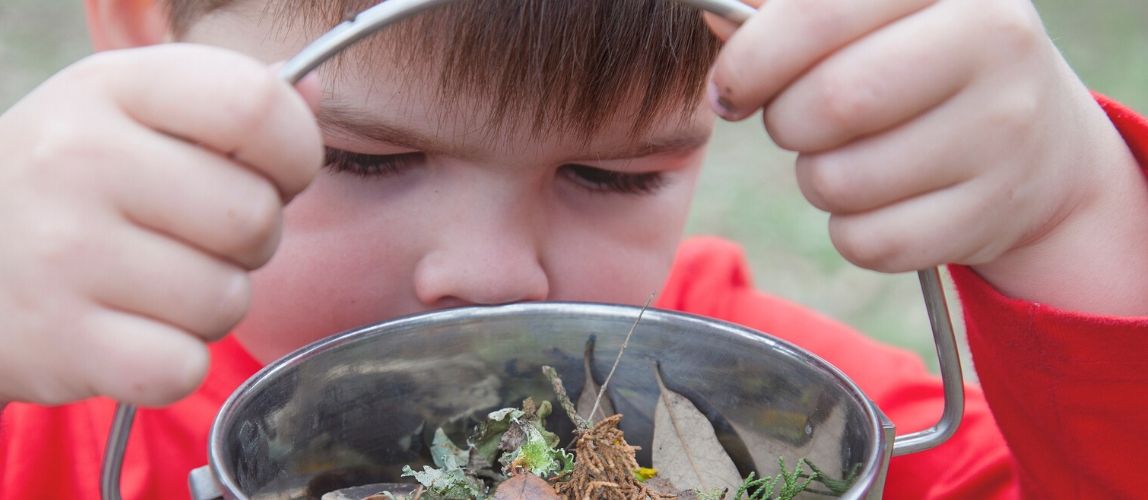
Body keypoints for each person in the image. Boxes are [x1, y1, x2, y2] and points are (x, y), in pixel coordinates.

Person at [1, 0, 1146, 498]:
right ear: (147, 37)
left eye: (611, 175)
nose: (495, 275)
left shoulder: (769, 418)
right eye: (358, 158)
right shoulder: (46, 415)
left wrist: (1074, 223)